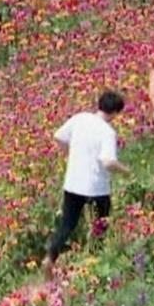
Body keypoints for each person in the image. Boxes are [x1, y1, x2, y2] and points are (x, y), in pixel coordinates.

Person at [45, 90, 130, 278]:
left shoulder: (80, 119)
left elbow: (58, 136)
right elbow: (108, 161)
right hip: (96, 187)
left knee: (67, 224)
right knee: (101, 225)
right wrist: (125, 170)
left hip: (73, 182)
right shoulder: (107, 132)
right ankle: (95, 264)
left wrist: (70, 153)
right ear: (115, 112)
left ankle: (50, 257)